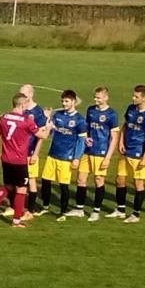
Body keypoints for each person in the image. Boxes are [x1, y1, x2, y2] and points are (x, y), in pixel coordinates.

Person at [0, 92, 50, 228]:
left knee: (8, 186)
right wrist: (48, 123)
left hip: (6, 159)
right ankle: (16, 221)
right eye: (26, 103)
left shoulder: (3, 118)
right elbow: (43, 135)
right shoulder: (27, 121)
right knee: (21, 189)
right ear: (21, 104)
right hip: (19, 161)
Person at [114, 84, 145, 222]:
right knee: (120, 180)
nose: (133, 98)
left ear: (144, 98)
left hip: (138, 153)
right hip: (126, 151)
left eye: (136, 97)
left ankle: (136, 214)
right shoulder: (131, 108)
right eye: (133, 95)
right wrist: (121, 142)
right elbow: (126, 125)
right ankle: (120, 209)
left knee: (138, 183)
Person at [44, 89, 87, 218]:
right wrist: (47, 119)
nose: (64, 103)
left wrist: (77, 158)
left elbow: (81, 141)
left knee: (63, 186)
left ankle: (62, 212)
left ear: (73, 102)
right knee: (46, 181)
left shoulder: (79, 120)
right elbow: (49, 132)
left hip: (66, 157)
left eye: (66, 101)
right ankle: (45, 207)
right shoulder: (58, 115)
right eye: (63, 101)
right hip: (52, 154)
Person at [80, 86, 119, 221]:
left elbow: (114, 137)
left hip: (101, 151)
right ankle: (79, 208)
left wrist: (108, 157)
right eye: (95, 97)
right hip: (87, 151)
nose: (95, 99)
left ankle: (96, 211)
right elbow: (86, 128)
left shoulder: (111, 114)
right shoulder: (90, 110)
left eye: (98, 97)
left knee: (98, 180)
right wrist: (86, 138)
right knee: (81, 178)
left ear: (106, 98)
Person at [18, 84, 49, 213]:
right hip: (19, 151)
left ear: (31, 94)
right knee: (18, 179)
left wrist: (36, 153)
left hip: (30, 151)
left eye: (24, 95)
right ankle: (15, 206)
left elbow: (42, 135)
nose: (21, 97)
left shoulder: (38, 112)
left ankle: (31, 210)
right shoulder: (20, 109)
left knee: (31, 180)